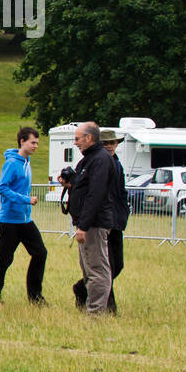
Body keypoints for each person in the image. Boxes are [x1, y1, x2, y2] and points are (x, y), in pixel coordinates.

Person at [0, 126, 48, 305]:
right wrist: (25, 200)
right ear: (22, 141)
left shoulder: (26, 162)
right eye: (33, 142)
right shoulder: (12, 163)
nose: (35, 146)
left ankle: (35, 296)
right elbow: (2, 188)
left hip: (24, 220)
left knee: (40, 253)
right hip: (9, 221)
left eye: (37, 143)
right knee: (2, 260)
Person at [66, 122, 116, 316]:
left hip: (94, 225)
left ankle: (96, 312)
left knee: (97, 269)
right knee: (88, 269)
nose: (75, 142)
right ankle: (92, 308)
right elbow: (85, 188)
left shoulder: (100, 160)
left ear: (89, 138)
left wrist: (84, 226)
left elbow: (95, 194)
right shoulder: (89, 159)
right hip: (87, 224)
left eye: (78, 138)